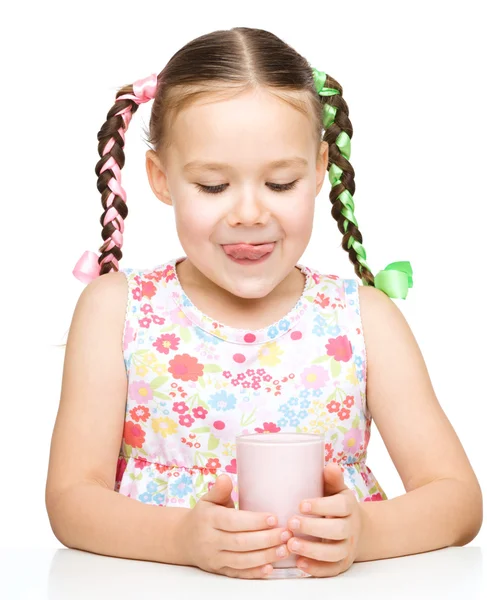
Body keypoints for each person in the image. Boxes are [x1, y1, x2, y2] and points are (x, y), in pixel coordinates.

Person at [45, 27, 482, 580]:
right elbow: (70, 501)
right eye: (211, 185)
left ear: (320, 169)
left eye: (280, 183)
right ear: (161, 178)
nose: (249, 213)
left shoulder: (362, 317)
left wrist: (369, 533)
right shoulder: (117, 310)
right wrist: (180, 539)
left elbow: (458, 500)